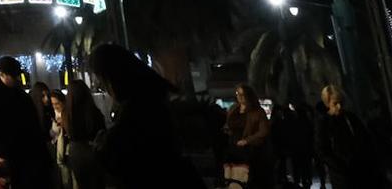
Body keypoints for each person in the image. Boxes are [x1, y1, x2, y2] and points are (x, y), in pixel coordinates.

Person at [84, 44, 198, 188]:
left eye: (102, 82)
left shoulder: (136, 111)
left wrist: (101, 144)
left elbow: (120, 156)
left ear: (113, 79)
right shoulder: (153, 100)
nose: (104, 88)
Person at [0, 57, 49, 189]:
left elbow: (33, 125)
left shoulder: (21, 95)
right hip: (6, 153)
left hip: (25, 152)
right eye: (13, 76)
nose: (16, 79)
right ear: (2, 74)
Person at [314, 85, 387, 189]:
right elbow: (322, 150)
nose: (339, 106)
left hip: (361, 169)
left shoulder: (350, 117)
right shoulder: (324, 123)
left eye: (341, 102)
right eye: (335, 103)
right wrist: (340, 166)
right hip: (343, 176)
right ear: (327, 103)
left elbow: (366, 140)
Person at [56, 79, 104, 189]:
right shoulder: (93, 112)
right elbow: (101, 130)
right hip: (92, 148)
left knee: (82, 183)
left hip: (75, 151)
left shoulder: (66, 113)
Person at [224, 84, 274, 185]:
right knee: (232, 176)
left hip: (249, 150)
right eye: (237, 93)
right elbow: (228, 124)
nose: (239, 96)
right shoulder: (233, 108)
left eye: (242, 94)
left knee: (246, 177)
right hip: (232, 147)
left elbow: (264, 131)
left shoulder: (257, 111)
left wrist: (247, 140)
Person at [272, 100, 314, 189]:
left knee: (295, 167)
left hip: (295, 149)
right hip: (303, 149)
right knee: (304, 167)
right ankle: (305, 181)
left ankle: (296, 182)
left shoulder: (285, 123)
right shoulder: (305, 123)